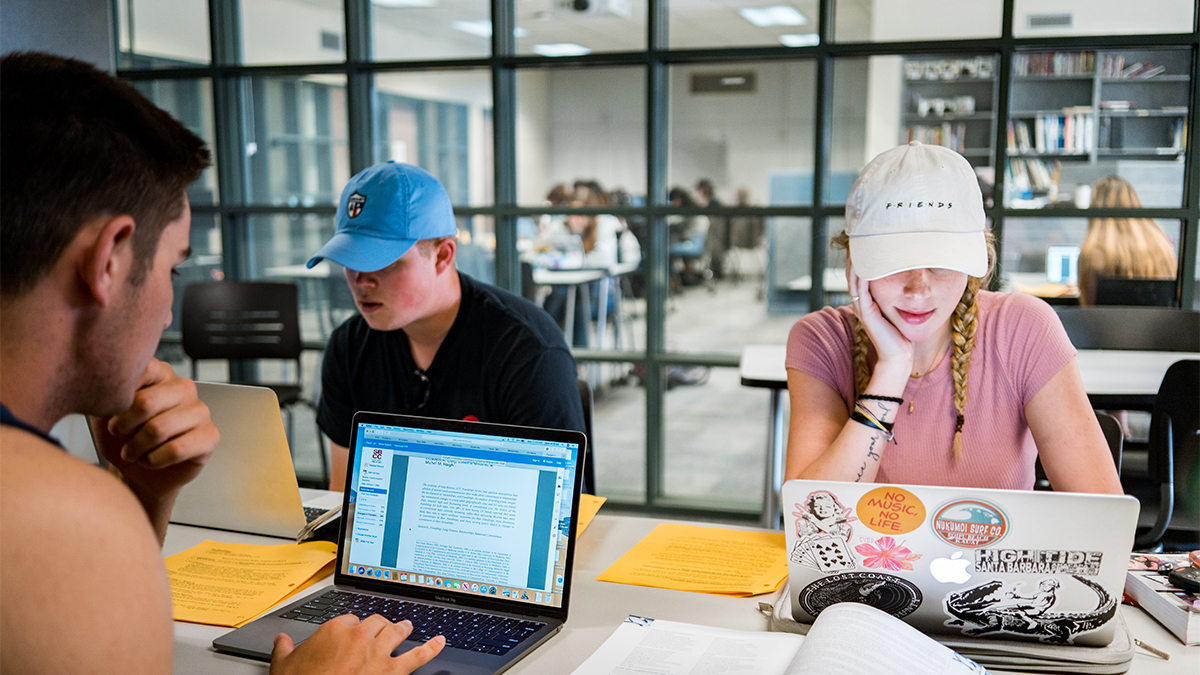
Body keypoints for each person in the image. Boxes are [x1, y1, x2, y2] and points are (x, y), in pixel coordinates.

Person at [0, 52, 444, 675]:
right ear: (109, 260)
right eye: (174, 268)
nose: (167, 313)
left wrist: (148, 497)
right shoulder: (60, 525)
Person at [784, 141, 1123, 494]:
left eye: (941, 263)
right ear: (854, 263)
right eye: (893, 263)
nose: (918, 288)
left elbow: (1103, 513)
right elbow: (810, 517)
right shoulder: (821, 339)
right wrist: (892, 369)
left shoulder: (1024, 328)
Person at [309, 161, 585, 491]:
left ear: (443, 255)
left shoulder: (526, 351)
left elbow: (554, 515)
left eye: (382, 262)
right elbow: (345, 500)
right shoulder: (349, 347)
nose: (361, 280)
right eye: (349, 260)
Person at [1077, 175, 1178, 306]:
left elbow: (1088, 306)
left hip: (1107, 325)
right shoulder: (1161, 246)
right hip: (1159, 325)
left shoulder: (1093, 253)